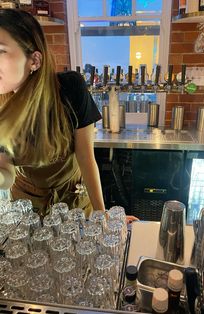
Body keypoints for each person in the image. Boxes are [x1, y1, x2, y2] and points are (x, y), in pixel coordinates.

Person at [0, 8, 138, 223]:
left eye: (1, 50)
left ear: (34, 60)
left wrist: (102, 215)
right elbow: (6, 168)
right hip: (27, 209)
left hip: (74, 201)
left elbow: (85, 156)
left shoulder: (69, 88)